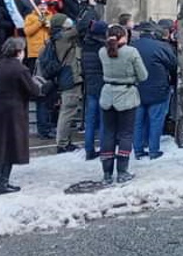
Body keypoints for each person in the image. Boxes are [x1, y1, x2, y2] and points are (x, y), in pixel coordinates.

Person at [0, 38, 42, 195]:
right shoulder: (20, 69)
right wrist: (38, 84)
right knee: (9, 147)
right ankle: (2, 183)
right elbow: (33, 91)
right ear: (19, 52)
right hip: (12, 111)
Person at [99, 25, 148, 184]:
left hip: (107, 94)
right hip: (126, 94)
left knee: (108, 133)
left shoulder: (102, 52)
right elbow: (143, 75)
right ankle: (122, 171)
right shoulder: (131, 52)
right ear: (124, 36)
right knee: (125, 134)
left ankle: (107, 174)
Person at [131, 24, 177, 160]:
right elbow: (173, 64)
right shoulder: (161, 47)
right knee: (156, 121)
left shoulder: (131, 47)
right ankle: (153, 150)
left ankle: (138, 150)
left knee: (137, 122)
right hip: (158, 88)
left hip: (136, 89)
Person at [47, 13, 83, 153]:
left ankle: (65, 141)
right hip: (69, 77)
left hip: (65, 76)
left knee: (68, 111)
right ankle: (62, 143)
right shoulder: (63, 37)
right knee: (68, 111)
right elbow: (81, 26)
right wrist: (90, 6)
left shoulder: (57, 37)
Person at [81, 21, 108, 160]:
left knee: (90, 120)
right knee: (104, 119)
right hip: (102, 84)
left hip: (90, 84)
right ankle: (104, 149)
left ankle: (89, 150)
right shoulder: (103, 47)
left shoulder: (85, 45)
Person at [23, 0, 50, 73]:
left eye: (44, 5)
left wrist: (49, 26)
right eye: (40, 5)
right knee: (33, 72)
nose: (43, 7)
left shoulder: (51, 17)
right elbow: (27, 32)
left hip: (47, 52)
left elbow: (55, 32)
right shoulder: (29, 17)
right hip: (35, 52)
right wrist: (39, 23)